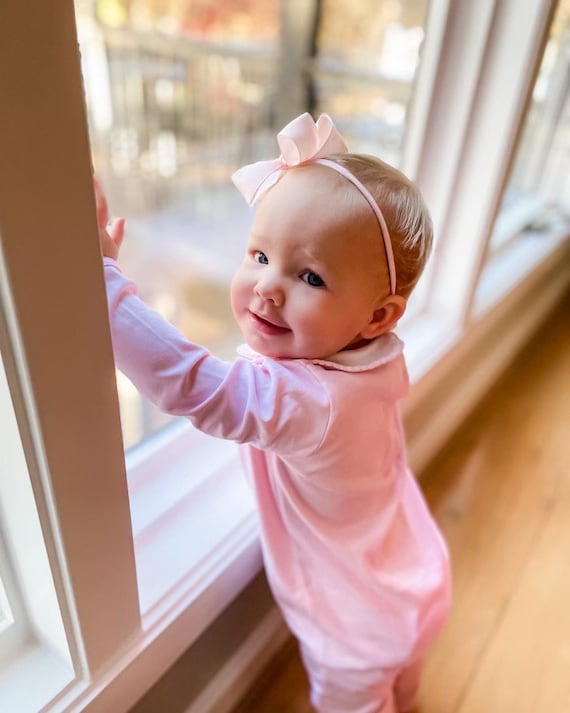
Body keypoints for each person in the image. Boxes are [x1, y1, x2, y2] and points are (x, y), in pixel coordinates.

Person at [96, 113, 451, 713]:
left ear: (377, 316)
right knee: (405, 685)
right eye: (258, 254)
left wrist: (103, 283)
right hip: (412, 573)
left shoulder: (311, 403)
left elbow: (190, 386)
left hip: (352, 624)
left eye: (309, 275)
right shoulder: (374, 363)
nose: (266, 288)